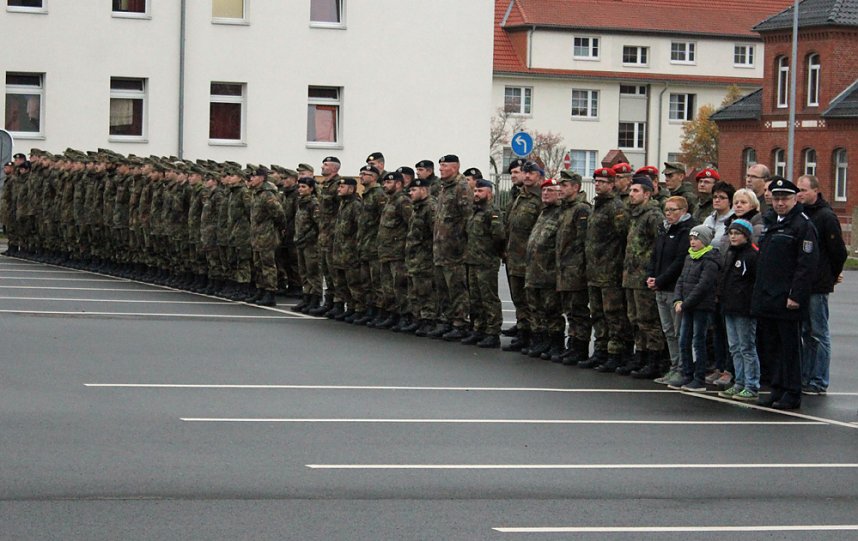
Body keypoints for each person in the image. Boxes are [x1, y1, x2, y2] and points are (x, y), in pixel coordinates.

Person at [751, 178, 818, 410]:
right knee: (771, 346)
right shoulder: (771, 222)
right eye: (777, 198)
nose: (780, 203)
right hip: (768, 295)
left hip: (787, 297)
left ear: (794, 199)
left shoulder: (802, 225)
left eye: (785, 199)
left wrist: (796, 296)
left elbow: (806, 265)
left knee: (789, 347)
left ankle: (792, 391)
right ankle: (777, 388)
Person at [796, 174, 847, 396]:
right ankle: (806, 376)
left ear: (816, 191)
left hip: (818, 284)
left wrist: (831, 275)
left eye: (804, 190)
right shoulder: (800, 214)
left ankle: (818, 380)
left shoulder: (826, 216)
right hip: (802, 284)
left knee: (819, 333)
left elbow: (838, 252)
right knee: (806, 332)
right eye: (798, 190)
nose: (800, 194)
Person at [579, 167, 630, 371]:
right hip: (594, 269)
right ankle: (600, 350)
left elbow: (623, 236)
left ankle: (616, 352)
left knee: (613, 314)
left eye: (603, 181)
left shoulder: (616, 207)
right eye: (596, 181)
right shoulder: (596, 206)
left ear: (611, 184)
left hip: (609, 269)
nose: (598, 184)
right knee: (597, 314)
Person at [647, 196, 697, 383]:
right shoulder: (664, 229)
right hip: (660, 287)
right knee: (668, 331)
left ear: (683, 210)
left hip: (674, 288)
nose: (668, 214)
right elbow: (655, 255)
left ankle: (684, 369)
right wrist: (651, 276)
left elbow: (679, 261)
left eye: (673, 210)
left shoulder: (687, 230)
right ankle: (674, 366)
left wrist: (660, 279)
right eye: (666, 210)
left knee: (679, 331)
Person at [620, 175, 664, 376]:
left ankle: (654, 360)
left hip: (644, 276)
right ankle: (641, 355)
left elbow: (660, 246)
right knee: (635, 319)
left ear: (647, 194)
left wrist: (654, 273)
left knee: (648, 320)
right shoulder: (635, 214)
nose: (631, 194)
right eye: (631, 190)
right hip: (631, 275)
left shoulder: (653, 215)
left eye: (635, 191)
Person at [667, 224, 721, 391]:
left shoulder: (710, 260)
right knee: (684, 340)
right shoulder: (689, 258)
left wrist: (686, 303)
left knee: (698, 341)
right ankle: (687, 374)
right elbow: (681, 280)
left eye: (696, 238)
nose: (693, 242)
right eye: (691, 238)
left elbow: (703, 285)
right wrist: (677, 299)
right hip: (686, 306)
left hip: (701, 307)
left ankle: (699, 377)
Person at [501, 161, 544, 352]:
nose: (527, 176)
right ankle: (523, 332)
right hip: (514, 257)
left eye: (531, 173)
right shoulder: (519, 197)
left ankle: (535, 337)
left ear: (540, 177)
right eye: (525, 173)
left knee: (532, 302)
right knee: (518, 299)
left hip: (529, 259)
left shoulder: (541, 199)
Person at [716, 219, 760, 402]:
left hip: (744, 308)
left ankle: (751, 384)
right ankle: (739, 382)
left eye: (737, 233)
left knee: (746, 347)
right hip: (730, 307)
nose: (733, 237)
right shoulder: (730, 253)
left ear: (746, 236)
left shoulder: (752, 255)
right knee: (734, 347)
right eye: (731, 233)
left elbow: (755, 282)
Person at [430, 154, 473, 340]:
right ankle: (446, 320)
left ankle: (460, 323)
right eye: (440, 165)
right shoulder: (444, 187)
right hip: (441, 249)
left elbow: (467, 219)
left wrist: (462, 245)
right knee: (443, 288)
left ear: (455, 167)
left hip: (455, 250)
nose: (440, 169)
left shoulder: (461, 188)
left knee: (456, 289)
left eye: (444, 166)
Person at [522, 178, 565, 358]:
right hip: (534, 271)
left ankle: (555, 344)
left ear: (559, 193)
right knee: (536, 309)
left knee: (552, 311)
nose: (546, 194)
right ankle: (540, 341)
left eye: (550, 190)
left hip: (549, 272)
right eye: (544, 191)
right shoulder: (543, 213)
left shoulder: (560, 214)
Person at [553, 170, 591, 364]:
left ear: (576, 187)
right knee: (570, 309)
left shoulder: (581, 209)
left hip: (576, 269)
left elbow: (584, 241)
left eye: (565, 185)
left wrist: (581, 267)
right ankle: (573, 344)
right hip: (564, 268)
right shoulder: (565, 209)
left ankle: (580, 347)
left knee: (578, 309)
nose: (561, 188)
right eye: (560, 185)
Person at [462, 178, 505, 348]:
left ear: (489, 193)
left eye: (480, 191)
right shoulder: (475, 212)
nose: (477, 194)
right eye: (475, 191)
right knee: (475, 299)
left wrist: (492, 253)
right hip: (472, 260)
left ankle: (493, 332)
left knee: (489, 298)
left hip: (486, 262)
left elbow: (499, 236)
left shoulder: (492, 212)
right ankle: (479, 329)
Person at [374, 171, 413, 330]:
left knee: (400, 286)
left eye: (388, 183)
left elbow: (410, 224)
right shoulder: (389, 201)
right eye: (384, 183)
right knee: (388, 287)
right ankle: (392, 313)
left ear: (398, 184)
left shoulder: (403, 201)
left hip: (398, 253)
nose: (385, 185)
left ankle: (404, 316)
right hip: (386, 251)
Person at [353, 164, 387, 325]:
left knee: (377, 282)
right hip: (365, 244)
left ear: (374, 177)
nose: (362, 176)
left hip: (374, 245)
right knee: (366, 281)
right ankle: (369, 309)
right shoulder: (366, 194)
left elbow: (383, 220)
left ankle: (380, 312)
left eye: (365, 174)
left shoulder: (379, 195)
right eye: (361, 173)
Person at [248, 167, 286, 306]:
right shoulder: (256, 193)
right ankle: (261, 289)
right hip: (257, 234)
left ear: (262, 178)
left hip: (267, 234)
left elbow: (279, 214)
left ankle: (270, 292)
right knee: (257, 264)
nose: (251, 179)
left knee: (268, 265)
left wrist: (277, 229)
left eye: (254, 176)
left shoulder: (267, 194)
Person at [308, 157, 342, 316]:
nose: (322, 167)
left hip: (333, 235)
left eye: (326, 165)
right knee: (326, 272)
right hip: (323, 234)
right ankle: (327, 301)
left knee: (335, 272)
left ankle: (338, 303)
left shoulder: (338, 185)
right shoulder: (324, 185)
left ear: (335, 168)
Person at [405, 177, 437, 336]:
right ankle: (417, 318)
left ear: (423, 190)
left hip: (425, 257)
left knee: (425, 290)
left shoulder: (430, 208)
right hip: (415, 256)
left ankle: (428, 320)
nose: (410, 193)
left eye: (414, 190)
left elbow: (434, 234)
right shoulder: (417, 207)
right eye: (410, 190)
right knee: (415, 290)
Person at [329, 177, 363, 320]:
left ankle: (359, 309)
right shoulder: (343, 204)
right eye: (339, 186)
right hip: (340, 250)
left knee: (354, 282)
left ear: (351, 188)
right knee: (341, 281)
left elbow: (360, 228)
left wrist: (357, 247)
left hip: (350, 250)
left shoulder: (356, 205)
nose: (339, 189)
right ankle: (349, 307)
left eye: (342, 187)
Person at [293, 177, 322, 314]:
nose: (300, 189)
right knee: (303, 272)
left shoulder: (313, 203)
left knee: (313, 272)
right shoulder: (301, 202)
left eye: (304, 187)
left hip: (311, 243)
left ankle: (315, 299)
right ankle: (306, 297)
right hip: (300, 242)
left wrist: (306, 238)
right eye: (299, 187)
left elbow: (317, 226)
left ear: (311, 189)